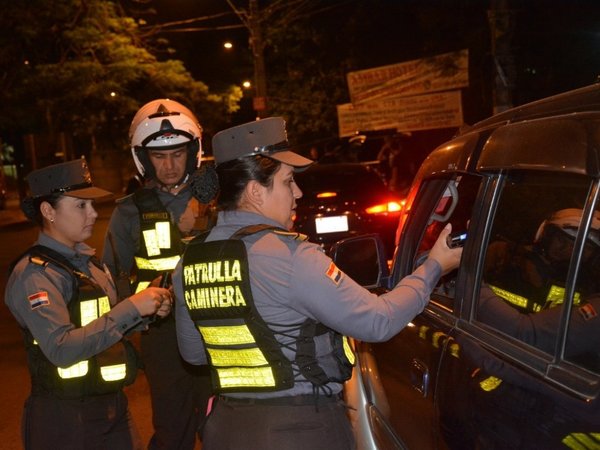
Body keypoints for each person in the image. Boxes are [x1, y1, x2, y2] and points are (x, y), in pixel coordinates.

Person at [172, 117, 462, 450]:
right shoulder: (289, 255)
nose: (298, 192)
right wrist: (435, 267)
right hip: (298, 431)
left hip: (226, 430)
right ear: (254, 191)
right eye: (288, 181)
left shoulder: (190, 260)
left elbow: (194, 354)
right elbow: (377, 321)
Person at [5, 158, 172, 450]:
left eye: (91, 205)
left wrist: (148, 309)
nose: (93, 213)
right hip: (64, 418)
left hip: (112, 406)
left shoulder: (88, 264)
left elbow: (103, 323)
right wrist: (131, 308)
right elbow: (61, 348)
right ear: (48, 211)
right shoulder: (35, 274)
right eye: (80, 205)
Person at [102, 99, 212, 450]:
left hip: (217, 323)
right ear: (143, 159)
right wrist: (124, 331)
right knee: (172, 426)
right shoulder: (129, 211)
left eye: (177, 154)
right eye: (160, 156)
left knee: (222, 424)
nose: (169, 165)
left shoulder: (220, 201)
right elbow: (111, 279)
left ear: (193, 151)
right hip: (161, 334)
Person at [484, 208, 600, 313]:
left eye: (585, 248)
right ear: (545, 235)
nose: (568, 251)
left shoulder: (586, 286)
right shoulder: (503, 254)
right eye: (562, 240)